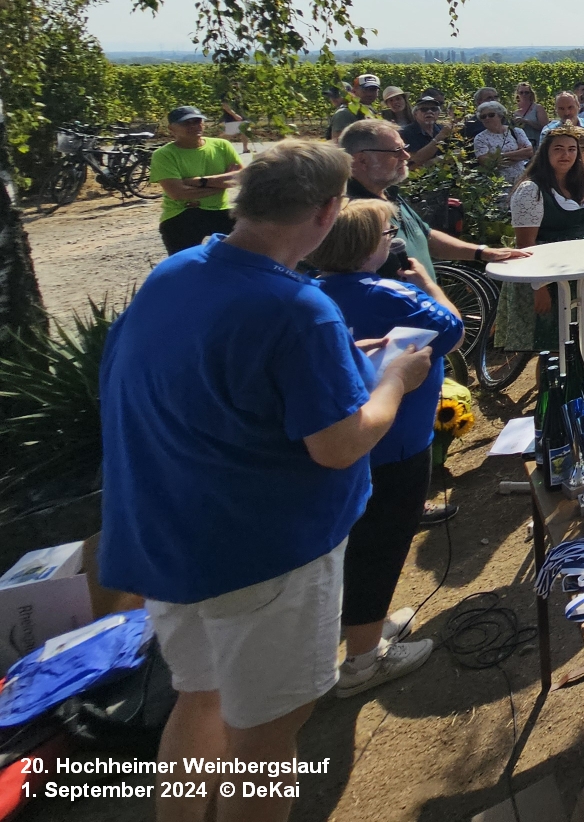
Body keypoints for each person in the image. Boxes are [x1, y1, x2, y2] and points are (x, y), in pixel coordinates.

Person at [100, 140, 432, 817]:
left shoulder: (179, 270)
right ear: (327, 211)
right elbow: (339, 445)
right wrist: (395, 379)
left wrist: (340, 356)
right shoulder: (297, 307)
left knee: (200, 698)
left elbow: (220, 372)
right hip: (264, 555)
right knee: (267, 736)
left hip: (171, 539)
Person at [309, 199, 464, 696]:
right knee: (384, 544)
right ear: (364, 247)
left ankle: (363, 624)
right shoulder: (395, 293)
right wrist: (428, 284)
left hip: (340, 443)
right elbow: (452, 329)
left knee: (354, 543)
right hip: (396, 442)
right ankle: (363, 660)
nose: (392, 242)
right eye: (386, 235)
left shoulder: (309, 295)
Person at [339, 120, 524, 281]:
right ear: (362, 160)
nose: (406, 156)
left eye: (404, 147)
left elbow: (425, 236)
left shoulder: (388, 193)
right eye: (396, 151)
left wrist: (483, 252)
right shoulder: (351, 213)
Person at [494, 124, 584, 354]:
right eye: (558, 149)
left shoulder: (581, 183)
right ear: (546, 152)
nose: (566, 155)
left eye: (571, 149)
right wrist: (539, 287)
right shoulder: (531, 190)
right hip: (550, 275)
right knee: (554, 348)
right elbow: (526, 244)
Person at [151, 105, 243, 254]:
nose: (193, 126)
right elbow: (178, 193)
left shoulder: (222, 146)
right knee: (183, 262)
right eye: (186, 123)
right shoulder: (164, 154)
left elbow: (241, 177)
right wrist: (221, 184)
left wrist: (200, 181)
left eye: (197, 121)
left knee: (253, 243)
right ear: (171, 129)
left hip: (220, 210)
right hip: (183, 211)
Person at [472, 100, 532, 185]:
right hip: (498, 185)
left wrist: (499, 156)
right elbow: (488, 164)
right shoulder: (480, 138)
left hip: (521, 181)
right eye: (483, 117)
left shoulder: (516, 131)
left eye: (491, 115)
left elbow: (530, 152)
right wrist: (519, 154)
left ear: (500, 116)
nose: (487, 118)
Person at [329, 72, 382, 138]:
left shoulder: (371, 111)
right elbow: (338, 141)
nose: (369, 94)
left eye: (373, 90)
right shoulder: (344, 114)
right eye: (365, 90)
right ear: (354, 90)